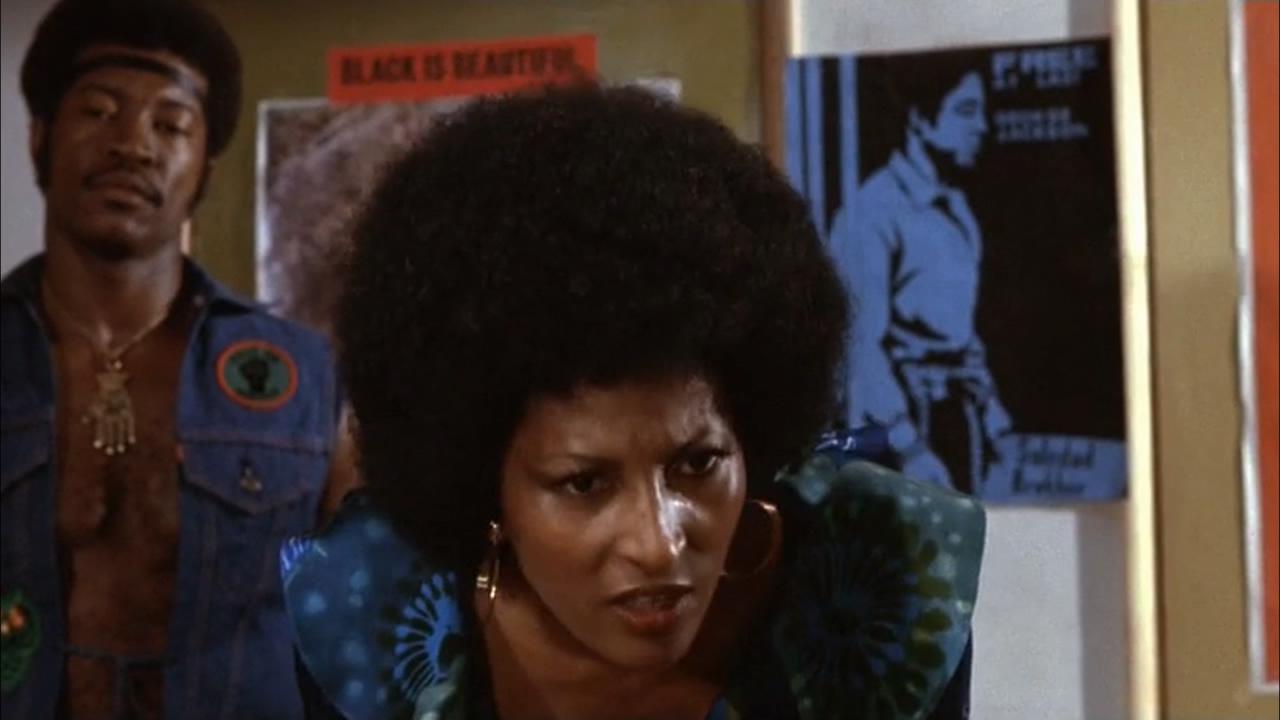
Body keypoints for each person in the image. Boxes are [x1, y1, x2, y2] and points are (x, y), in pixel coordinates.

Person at [281, 85, 984, 720]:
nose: (658, 543)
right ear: (485, 490)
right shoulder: (367, 618)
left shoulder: (888, 590)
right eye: (585, 483)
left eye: (697, 464)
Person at [0, 1, 357, 717]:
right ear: (39, 139)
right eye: (98, 111)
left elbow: (361, 627)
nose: (132, 144)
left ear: (205, 172)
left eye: (171, 125)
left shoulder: (308, 378)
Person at [828, 60, 1013, 494]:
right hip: (897, 430)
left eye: (982, 112)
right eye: (965, 111)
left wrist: (992, 414)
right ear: (920, 120)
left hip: (954, 420)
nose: (982, 127)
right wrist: (908, 446)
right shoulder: (871, 213)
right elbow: (859, 347)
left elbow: (960, 333)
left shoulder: (957, 209)